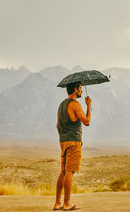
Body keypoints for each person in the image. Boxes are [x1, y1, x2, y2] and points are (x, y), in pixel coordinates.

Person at [53, 82, 91, 211]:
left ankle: (57, 203)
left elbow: (58, 126)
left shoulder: (61, 105)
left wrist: (63, 138)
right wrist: (89, 106)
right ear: (74, 90)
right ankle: (67, 203)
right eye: (80, 88)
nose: (81, 90)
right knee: (70, 172)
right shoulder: (75, 104)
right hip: (74, 142)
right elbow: (87, 122)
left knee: (63, 171)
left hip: (63, 142)